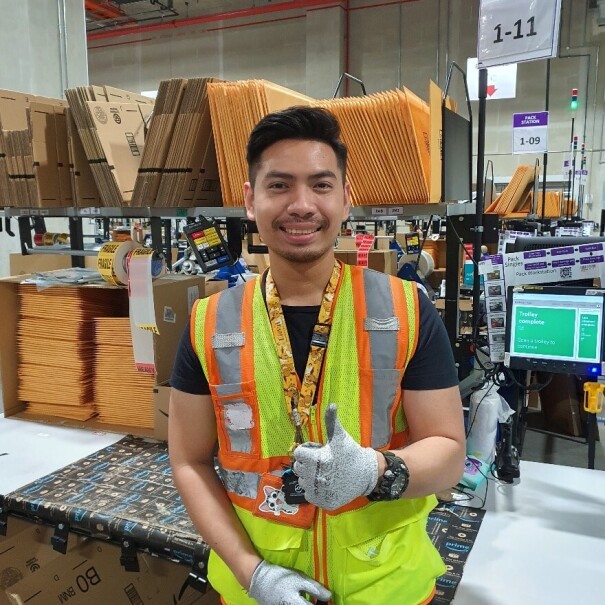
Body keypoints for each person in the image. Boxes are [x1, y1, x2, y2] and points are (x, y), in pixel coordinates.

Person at [169, 106, 466, 605]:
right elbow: (189, 462)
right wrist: (252, 573)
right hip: (258, 591)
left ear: (346, 199)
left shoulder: (405, 310)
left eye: (321, 185)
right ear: (250, 200)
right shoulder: (208, 323)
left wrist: (378, 472)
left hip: (386, 589)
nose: (302, 204)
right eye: (279, 185)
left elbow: (449, 451)